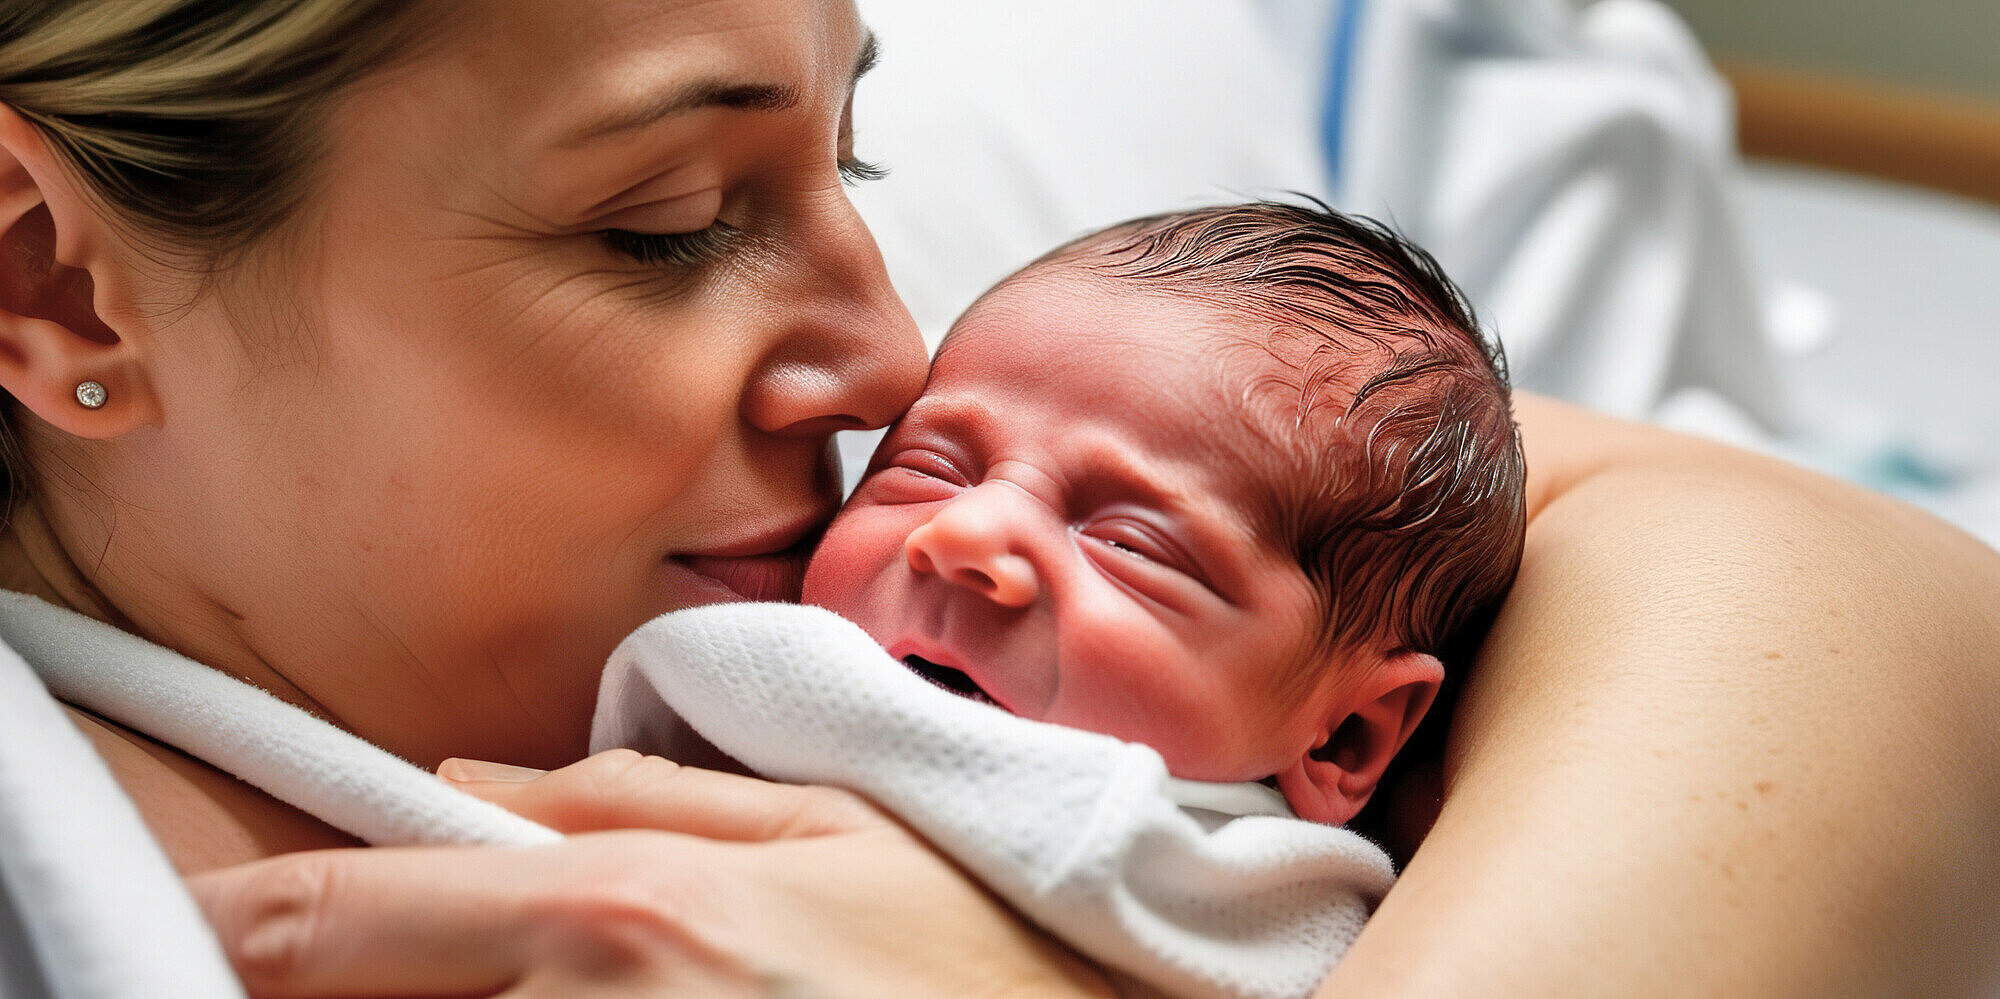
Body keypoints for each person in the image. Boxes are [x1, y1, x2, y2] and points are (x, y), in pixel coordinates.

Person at [0, 2, 1994, 999]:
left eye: (848, 164)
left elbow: (1866, 599)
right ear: (53, 283)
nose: (893, 364)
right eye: (667, 226)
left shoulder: (961, 463)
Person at [590, 200, 1525, 999]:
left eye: (1128, 545)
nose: (965, 537)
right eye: (927, 468)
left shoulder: (1221, 894)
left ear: (1343, 734)